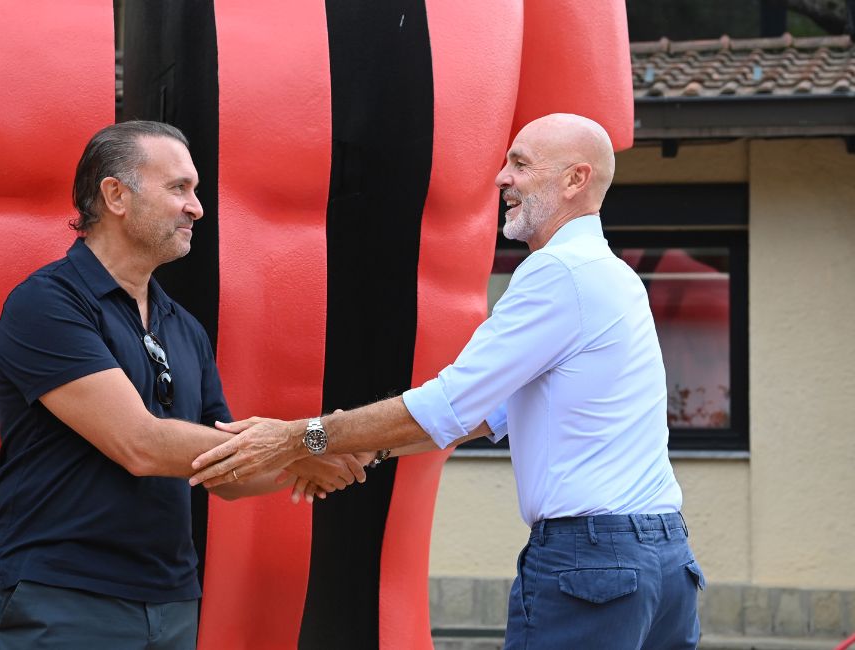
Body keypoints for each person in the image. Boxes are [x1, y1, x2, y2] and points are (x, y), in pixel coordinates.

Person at [190, 113, 706, 650]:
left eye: (521, 164)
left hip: (595, 564)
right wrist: (369, 450)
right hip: (665, 558)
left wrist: (297, 438)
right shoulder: (613, 274)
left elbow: (447, 405)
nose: (502, 178)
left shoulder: (558, 273)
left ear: (576, 180)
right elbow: (486, 416)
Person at [0, 120, 368, 649]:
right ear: (115, 195)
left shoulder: (183, 325)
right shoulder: (48, 304)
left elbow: (221, 473)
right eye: (179, 188)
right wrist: (308, 442)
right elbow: (141, 444)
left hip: (171, 600)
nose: (197, 207)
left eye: (195, 190)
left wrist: (301, 463)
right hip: (60, 595)